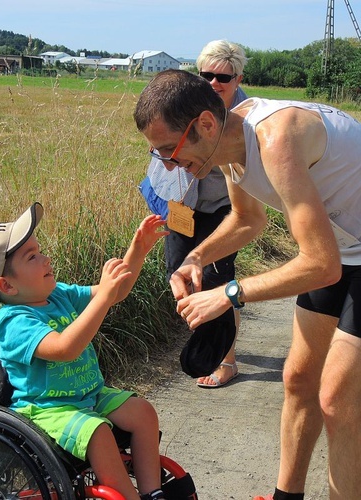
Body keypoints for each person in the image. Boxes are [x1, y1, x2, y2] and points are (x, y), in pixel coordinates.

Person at [134, 69, 361, 500]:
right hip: (335, 244)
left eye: (170, 151)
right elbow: (247, 219)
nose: (170, 166)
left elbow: (321, 266)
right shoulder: (226, 147)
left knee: (336, 400)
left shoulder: (274, 139)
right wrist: (195, 257)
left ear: (206, 124)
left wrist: (229, 293)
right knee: (298, 379)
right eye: (159, 156)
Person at [0, 202, 169, 500]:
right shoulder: (13, 322)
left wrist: (138, 249)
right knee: (97, 433)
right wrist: (104, 296)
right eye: (32, 256)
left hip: (90, 394)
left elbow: (116, 293)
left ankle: (152, 492)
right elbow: (65, 348)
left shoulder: (57, 294)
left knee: (144, 413)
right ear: (7, 285)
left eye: (40, 250)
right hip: (48, 409)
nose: (46, 259)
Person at [141, 40, 248, 388]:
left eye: (224, 77)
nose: (215, 83)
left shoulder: (244, 120)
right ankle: (204, 342)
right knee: (180, 272)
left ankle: (226, 360)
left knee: (219, 280)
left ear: (238, 78)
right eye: (207, 75)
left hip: (221, 209)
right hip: (181, 205)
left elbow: (248, 201)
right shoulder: (184, 108)